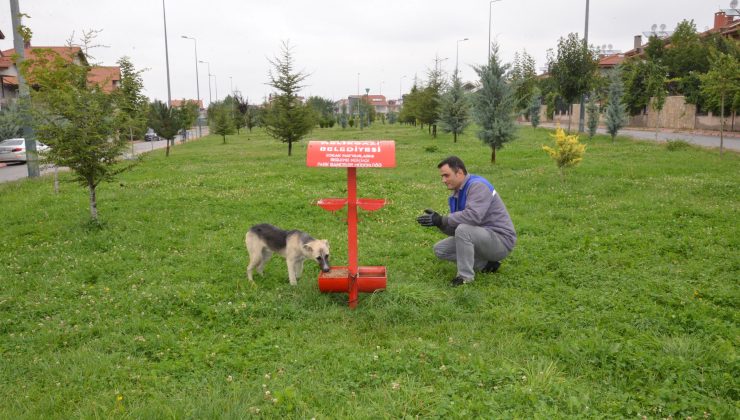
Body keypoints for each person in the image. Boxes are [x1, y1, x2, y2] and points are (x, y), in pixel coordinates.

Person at [416, 156, 516, 286]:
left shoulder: (477, 186)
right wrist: (439, 223)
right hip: (482, 238)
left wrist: (444, 219)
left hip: (501, 241)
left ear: (459, 173)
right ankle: (486, 265)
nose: (443, 180)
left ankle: (464, 278)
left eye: (446, 175)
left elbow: (473, 217)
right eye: (442, 176)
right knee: (440, 249)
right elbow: (456, 230)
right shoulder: (457, 193)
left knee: (464, 230)